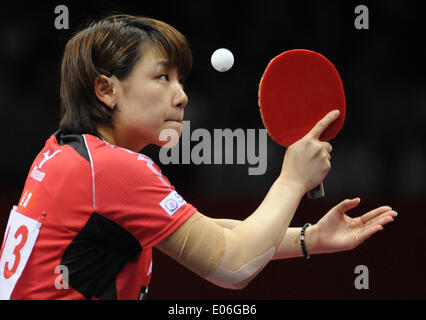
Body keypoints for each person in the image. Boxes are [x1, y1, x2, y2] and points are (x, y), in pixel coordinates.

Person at [0, 14, 397, 300]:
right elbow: (234, 265)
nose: (182, 96)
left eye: (181, 80)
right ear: (106, 89)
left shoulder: (63, 152)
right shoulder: (113, 169)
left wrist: (308, 239)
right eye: (162, 77)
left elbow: (202, 231)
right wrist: (292, 180)